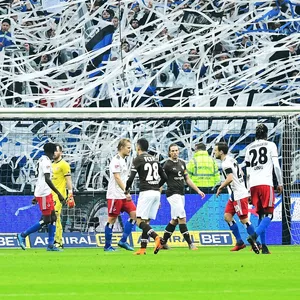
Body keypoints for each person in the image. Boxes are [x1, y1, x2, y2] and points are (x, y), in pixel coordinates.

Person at [17, 143, 65, 251]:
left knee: (53, 217)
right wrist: (58, 193)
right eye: (55, 151)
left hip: (45, 193)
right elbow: (47, 180)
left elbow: (40, 179)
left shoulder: (42, 160)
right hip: (43, 195)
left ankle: (50, 245)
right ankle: (23, 235)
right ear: (52, 151)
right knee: (47, 219)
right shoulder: (46, 162)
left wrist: (35, 195)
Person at [244, 124, 283, 254]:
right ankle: (254, 236)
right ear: (266, 134)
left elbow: (247, 171)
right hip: (266, 183)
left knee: (261, 214)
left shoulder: (249, 148)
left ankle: (264, 247)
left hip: (253, 185)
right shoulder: (271, 145)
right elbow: (276, 166)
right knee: (269, 215)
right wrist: (280, 183)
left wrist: (248, 190)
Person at [125, 138, 167, 255]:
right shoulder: (154, 159)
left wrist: (126, 189)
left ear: (138, 147)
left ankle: (157, 237)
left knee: (139, 221)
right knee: (146, 222)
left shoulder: (138, 159)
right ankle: (143, 248)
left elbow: (131, 178)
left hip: (146, 192)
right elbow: (164, 177)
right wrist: (156, 186)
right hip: (156, 192)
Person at [160, 144, 205, 250]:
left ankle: (163, 242)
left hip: (181, 194)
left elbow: (187, 179)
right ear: (169, 152)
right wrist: (158, 198)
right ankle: (190, 244)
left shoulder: (182, 163)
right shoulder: (167, 165)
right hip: (172, 194)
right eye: (172, 151)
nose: (175, 152)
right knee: (182, 218)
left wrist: (198, 190)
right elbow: (161, 182)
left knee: (175, 220)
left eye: (176, 150)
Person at [214, 142, 256, 252]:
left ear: (221, 152)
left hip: (239, 194)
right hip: (234, 195)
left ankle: (257, 243)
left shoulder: (225, 164)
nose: (214, 152)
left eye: (215, 150)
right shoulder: (231, 160)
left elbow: (230, 178)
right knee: (227, 217)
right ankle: (240, 242)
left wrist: (220, 187)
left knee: (244, 220)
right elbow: (241, 174)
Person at [104, 138, 136, 252]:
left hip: (123, 195)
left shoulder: (123, 160)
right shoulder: (116, 160)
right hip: (115, 195)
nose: (129, 150)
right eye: (128, 148)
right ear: (121, 147)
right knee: (112, 219)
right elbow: (117, 177)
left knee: (135, 215)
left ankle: (123, 241)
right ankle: (107, 246)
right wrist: (126, 191)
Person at [52, 144, 75, 249]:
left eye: (56, 151)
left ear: (61, 152)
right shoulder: (51, 165)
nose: (54, 153)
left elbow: (68, 180)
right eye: (53, 151)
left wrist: (70, 194)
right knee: (50, 218)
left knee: (56, 217)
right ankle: (54, 240)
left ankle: (58, 242)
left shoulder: (64, 164)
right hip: (49, 195)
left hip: (59, 195)